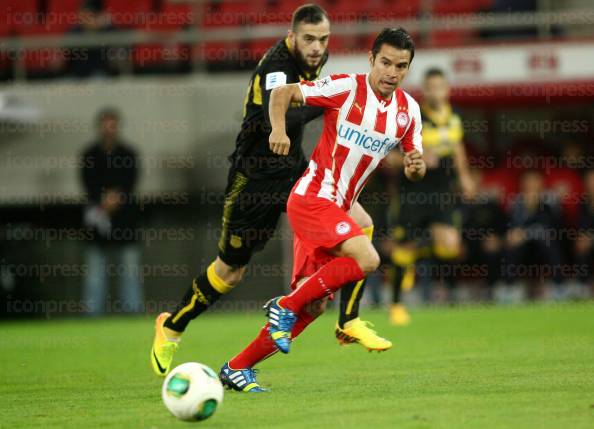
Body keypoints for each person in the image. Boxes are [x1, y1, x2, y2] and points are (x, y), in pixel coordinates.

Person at [151, 4, 391, 379]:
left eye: (323, 39)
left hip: (295, 171)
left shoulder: (316, 59)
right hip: (255, 180)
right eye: (309, 39)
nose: (317, 48)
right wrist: (337, 102)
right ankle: (172, 326)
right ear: (292, 37)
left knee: (361, 221)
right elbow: (285, 114)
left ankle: (348, 318)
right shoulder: (277, 67)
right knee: (230, 272)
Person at [219, 27, 425, 392]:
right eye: (386, 62)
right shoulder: (345, 87)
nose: (392, 72)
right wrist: (278, 130)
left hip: (335, 211)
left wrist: (414, 164)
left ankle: (237, 367)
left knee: (313, 308)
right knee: (369, 258)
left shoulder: (408, 110)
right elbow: (282, 93)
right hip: (313, 199)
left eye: (401, 65)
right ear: (372, 60)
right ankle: (290, 306)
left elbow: (414, 156)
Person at [386, 67, 475, 324]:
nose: (436, 92)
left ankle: (414, 255)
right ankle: (396, 306)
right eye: (431, 87)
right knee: (403, 248)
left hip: (442, 190)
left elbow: (457, 148)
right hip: (412, 191)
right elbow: (387, 156)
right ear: (424, 90)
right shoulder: (410, 116)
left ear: (447, 89)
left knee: (450, 247)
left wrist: (465, 177)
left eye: (440, 87)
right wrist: (413, 156)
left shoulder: (455, 116)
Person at [81, 107, 142, 315]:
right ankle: (92, 311)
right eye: (105, 124)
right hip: (98, 218)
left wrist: (116, 198)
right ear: (99, 127)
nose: (109, 129)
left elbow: (131, 182)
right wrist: (103, 200)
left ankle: (132, 309)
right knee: (95, 270)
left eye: (112, 124)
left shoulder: (129, 153)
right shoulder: (89, 155)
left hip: (125, 219)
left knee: (129, 269)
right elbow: (87, 183)